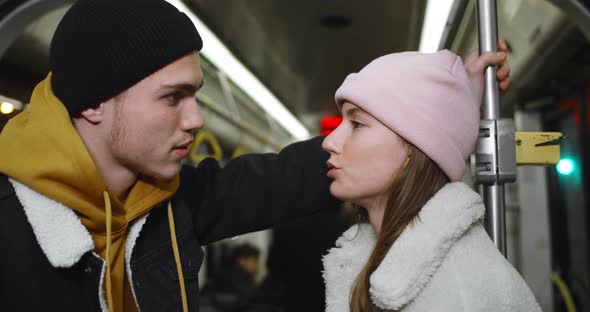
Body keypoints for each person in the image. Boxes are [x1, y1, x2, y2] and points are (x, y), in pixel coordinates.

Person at [0, 0, 510, 311]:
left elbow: (279, 179)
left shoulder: (168, 201)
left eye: (196, 95)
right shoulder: (10, 225)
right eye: (172, 97)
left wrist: (437, 101)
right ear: (93, 102)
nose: (196, 119)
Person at [321, 50, 541, 312]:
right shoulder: (392, 264)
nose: (328, 141)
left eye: (357, 124)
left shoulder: (459, 294)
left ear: (412, 151)